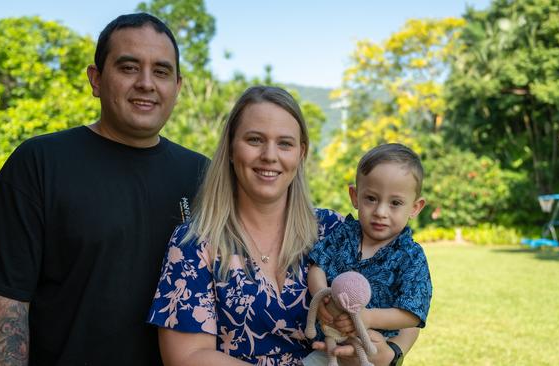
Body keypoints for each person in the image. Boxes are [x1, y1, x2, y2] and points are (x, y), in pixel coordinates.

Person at [0, 13, 208, 365]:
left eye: (161, 71)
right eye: (129, 67)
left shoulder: (203, 176)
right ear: (96, 79)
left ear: (177, 87)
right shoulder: (40, 163)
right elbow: (7, 309)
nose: (147, 83)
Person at [147, 86, 418, 366]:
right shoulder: (195, 242)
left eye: (285, 144)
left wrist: (393, 353)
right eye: (254, 140)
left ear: (301, 153)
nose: (269, 155)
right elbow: (187, 357)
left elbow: (410, 291)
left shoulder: (335, 231)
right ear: (230, 147)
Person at [305, 143, 433, 366]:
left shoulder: (410, 256)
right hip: (327, 349)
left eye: (395, 203)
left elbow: (413, 313)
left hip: (370, 352)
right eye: (371, 199)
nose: (380, 212)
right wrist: (323, 299)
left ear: (415, 207)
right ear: (355, 196)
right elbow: (318, 265)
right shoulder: (344, 235)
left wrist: (368, 317)